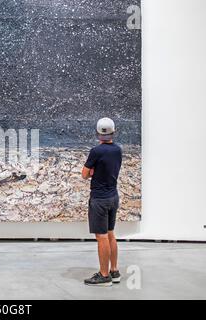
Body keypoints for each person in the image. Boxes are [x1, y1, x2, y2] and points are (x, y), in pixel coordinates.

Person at [82, 118, 122, 287]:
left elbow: (84, 174)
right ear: (113, 132)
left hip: (99, 199)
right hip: (113, 196)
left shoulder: (95, 151)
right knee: (111, 234)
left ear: (98, 133)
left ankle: (104, 275)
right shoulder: (118, 150)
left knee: (102, 237)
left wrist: (92, 171)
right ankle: (114, 271)